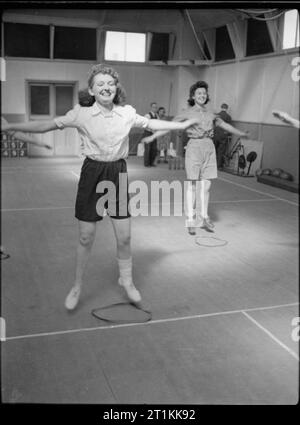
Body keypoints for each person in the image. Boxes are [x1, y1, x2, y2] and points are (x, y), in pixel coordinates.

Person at [2, 64, 201, 311]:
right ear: (92, 90)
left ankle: (126, 281)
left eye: (110, 83)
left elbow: (152, 124)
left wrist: (180, 126)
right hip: (92, 173)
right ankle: (77, 286)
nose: (106, 87)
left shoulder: (127, 113)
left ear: (116, 87)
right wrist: (12, 127)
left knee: (125, 236)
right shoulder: (81, 114)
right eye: (100, 84)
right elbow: (48, 125)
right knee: (86, 237)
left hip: (117, 172)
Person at [141, 81, 248, 235]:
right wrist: (152, 138)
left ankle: (203, 217)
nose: (202, 95)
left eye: (204, 93)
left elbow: (224, 125)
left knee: (206, 186)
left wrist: (241, 133)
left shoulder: (211, 113)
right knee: (192, 185)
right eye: (199, 93)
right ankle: (190, 219)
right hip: (194, 147)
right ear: (193, 96)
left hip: (209, 147)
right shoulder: (186, 113)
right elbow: (168, 126)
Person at [213, 103, 232, 169]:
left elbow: (213, 125)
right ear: (227, 108)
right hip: (223, 136)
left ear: (221, 107)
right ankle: (219, 166)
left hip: (215, 135)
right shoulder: (228, 117)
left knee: (214, 150)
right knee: (221, 151)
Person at [143, 102, 158, 167]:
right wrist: (152, 130)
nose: (155, 108)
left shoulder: (157, 116)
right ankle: (147, 163)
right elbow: (144, 125)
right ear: (151, 108)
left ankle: (152, 162)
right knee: (148, 149)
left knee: (154, 149)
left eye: (156, 107)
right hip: (148, 133)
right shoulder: (147, 115)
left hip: (154, 134)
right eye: (154, 107)